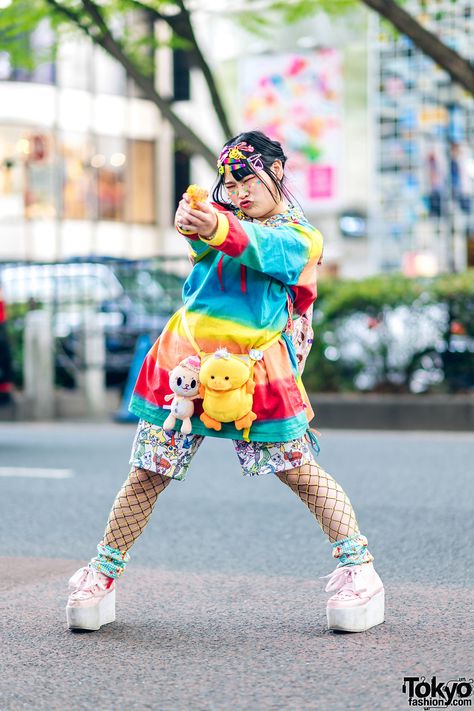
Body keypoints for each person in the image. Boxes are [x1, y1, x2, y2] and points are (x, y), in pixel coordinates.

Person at [66, 131, 384, 633]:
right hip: (183, 368)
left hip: (255, 374)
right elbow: (213, 247)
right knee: (148, 472)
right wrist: (192, 225)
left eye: (246, 179)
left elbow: (258, 248)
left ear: (276, 171)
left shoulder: (301, 238)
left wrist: (214, 225)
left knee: (298, 471)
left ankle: (359, 570)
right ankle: (101, 575)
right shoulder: (229, 223)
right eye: (229, 183)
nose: (237, 191)